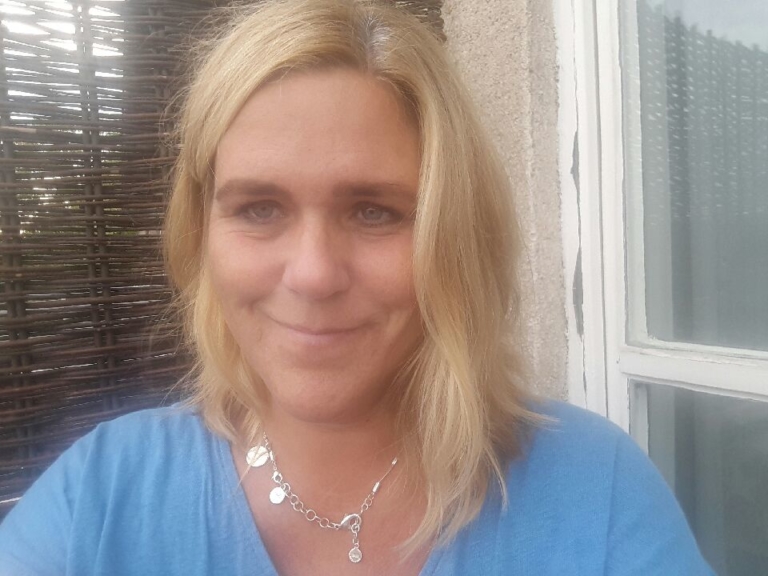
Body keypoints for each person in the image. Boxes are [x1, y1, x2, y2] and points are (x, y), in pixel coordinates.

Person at [0, 0, 714, 574]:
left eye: (374, 211)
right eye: (259, 209)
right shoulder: (99, 498)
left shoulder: (595, 491)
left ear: (457, 236)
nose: (313, 273)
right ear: (201, 235)